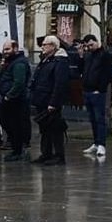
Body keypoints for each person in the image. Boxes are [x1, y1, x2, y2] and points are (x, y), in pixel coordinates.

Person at [30, 36, 72, 165]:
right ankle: (46, 153)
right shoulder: (46, 60)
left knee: (55, 129)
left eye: (45, 44)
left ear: (53, 46)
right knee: (45, 129)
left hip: (51, 100)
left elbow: (60, 83)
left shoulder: (60, 61)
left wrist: (54, 102)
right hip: (42, 99)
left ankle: (59, 155)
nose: (42, 47)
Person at [79, 35, 112, 157]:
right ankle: (96, 142)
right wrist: (81, 56)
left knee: (99, 118)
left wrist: (100, 89)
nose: (90, 47)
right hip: (88, 90)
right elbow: (82, 69)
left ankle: (101, 144)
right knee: (93, 119)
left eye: (91, 45)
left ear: (96, 42)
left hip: (97, 92)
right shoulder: (88, 56)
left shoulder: (105, 55)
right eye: (87, 46)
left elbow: (107, 74)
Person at [0, 39, 32, 163]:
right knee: (7, 122)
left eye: (8, 49)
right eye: (4, 49)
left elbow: (19, 82)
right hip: (10, 98)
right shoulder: (10, 62)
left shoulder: (19, 63)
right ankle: (16, 148)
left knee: (15, 124)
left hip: (16, 100)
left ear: (15, 49)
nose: (5, 52)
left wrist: (9, 95)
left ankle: (18, 150)